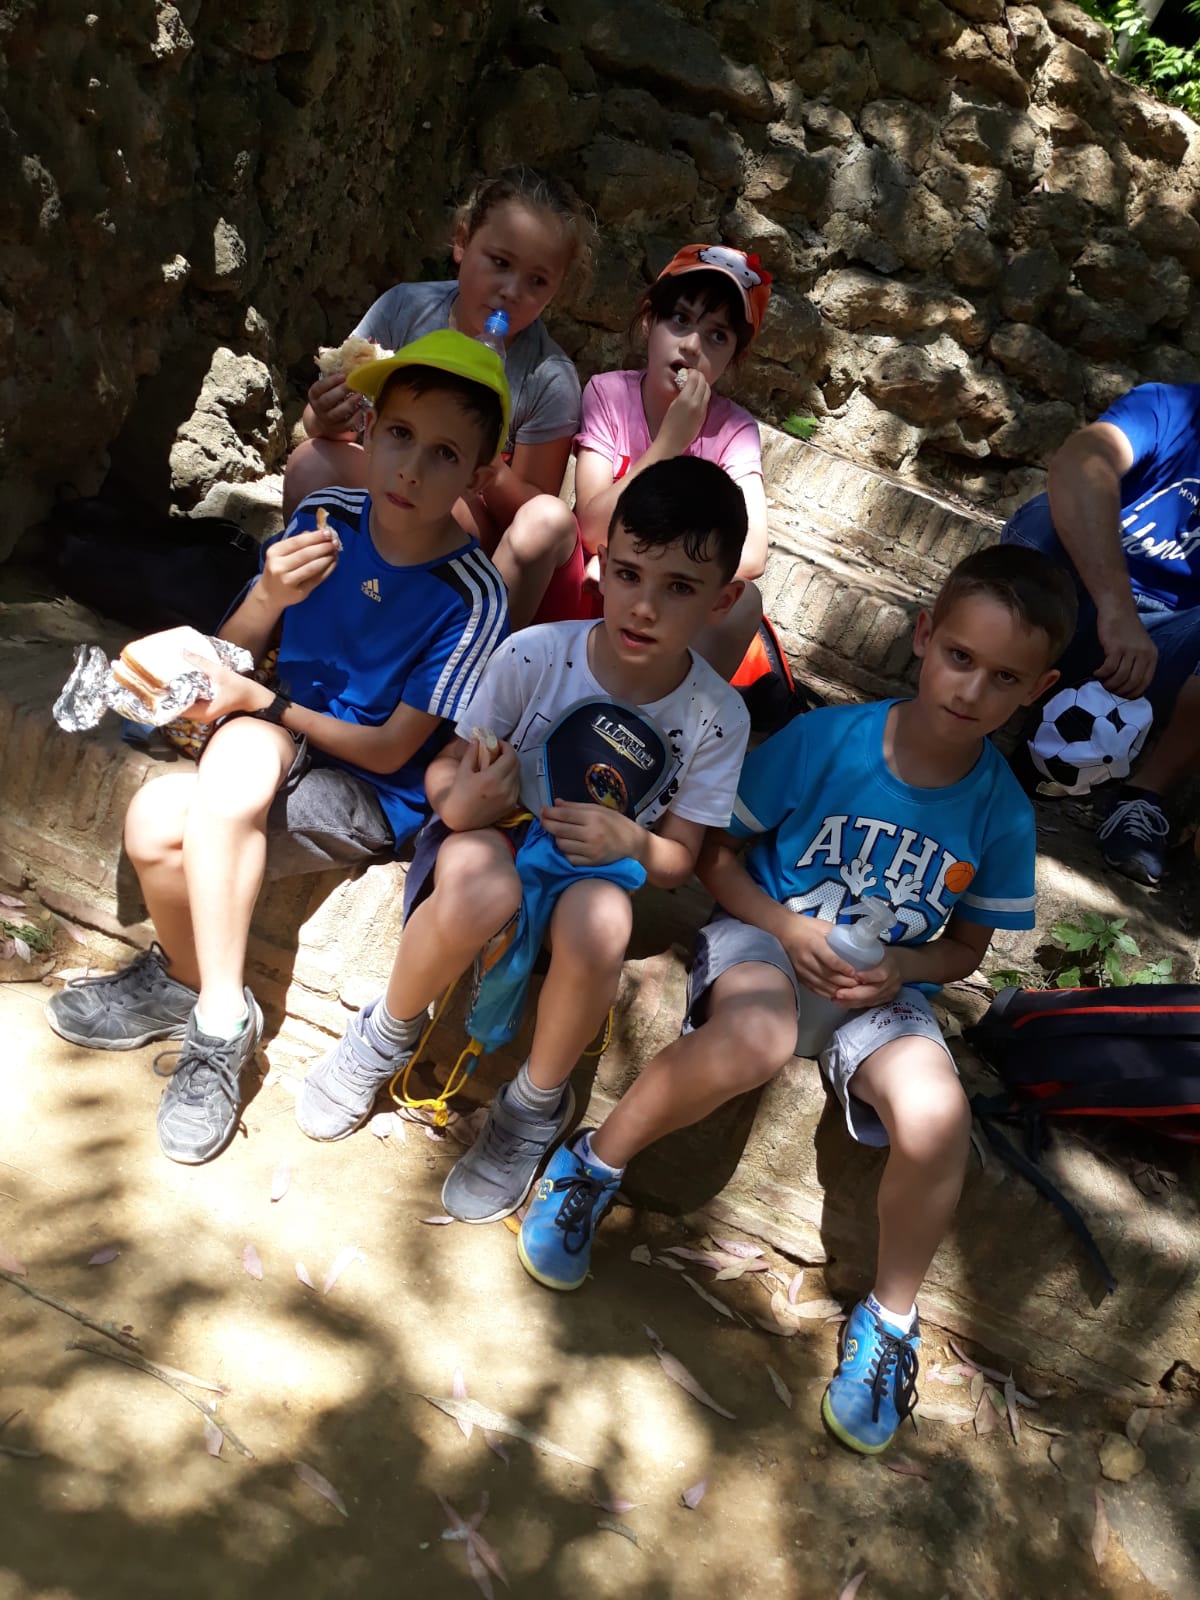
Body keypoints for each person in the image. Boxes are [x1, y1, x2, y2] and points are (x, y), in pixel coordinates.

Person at [516, 545, 1077, 1456]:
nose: (972, 689)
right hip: (767, 939)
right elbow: (715, 855)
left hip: (880, 987)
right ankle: (591, 1165)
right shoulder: (829, 741)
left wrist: (900, 968)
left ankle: (889, 1322)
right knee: (756, 1038)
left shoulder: (1003, 811)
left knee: (938, 1116)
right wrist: (785, 925)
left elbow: (966, 949)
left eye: (1005, 677)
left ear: (1040, 689)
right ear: (924, 636)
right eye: (960, 657)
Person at [47, 332, 512, 1166]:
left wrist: (261, 702)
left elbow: (389, 750)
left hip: (368, 791)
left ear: (478, 476)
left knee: (235, 756)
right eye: (399, 434)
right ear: (369, 429)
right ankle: (199, 987)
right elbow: (233, 649)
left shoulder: (472, 596)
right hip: (269, 747)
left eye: (444, 454)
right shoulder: (326, 517)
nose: (410, 469)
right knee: (152, 820)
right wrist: (267, 593)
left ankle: (217, 1023)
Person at [295, 457, 753, 1228]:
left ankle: (533, 1107)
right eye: (630, 574)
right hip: (495, 833)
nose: (644, 606)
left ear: (723, 600)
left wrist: (631, 840)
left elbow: (678, 863)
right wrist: (464, 799)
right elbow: (448, 770)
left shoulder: (717, 716)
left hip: (596, 868)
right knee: (482, 886)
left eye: (679, 587)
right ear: (601, 564)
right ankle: (386, 1032)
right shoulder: (535, 654)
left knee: (603, 922)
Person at [283, 164, 590, 555]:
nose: (512, 291)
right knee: (311, 464)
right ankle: (306, 584)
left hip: (462, 522)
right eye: (500, 262)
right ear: (461, 242)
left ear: (556, 290)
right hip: (385, 479)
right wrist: (326, 416)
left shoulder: (547, 378)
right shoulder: (405, 310)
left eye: (537, 281)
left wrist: (481, 457)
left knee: (437, 502)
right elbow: (322, 428)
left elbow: (531, 516)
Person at [498, 244, 773, 674]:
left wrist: (644, 569)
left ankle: (659, 716)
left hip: (662, 614)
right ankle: (472, 677)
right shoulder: (609, 394)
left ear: (734, 358)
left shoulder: (733, 430)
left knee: (744, 602)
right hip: (585, 591)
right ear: (649, 321)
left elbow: (752, 554)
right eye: (679, 319)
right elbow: (591, 527)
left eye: (717, 336)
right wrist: (669, 443)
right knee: (543, 518)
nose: (692, 345)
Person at [1002, 382, 1200, 884]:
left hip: (1167, 649)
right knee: (1043, 517)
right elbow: (1079, 463)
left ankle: (1142, 799)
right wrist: (1117, 608)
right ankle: (973, 722)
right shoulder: (1170, 407)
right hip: (1078, 596)